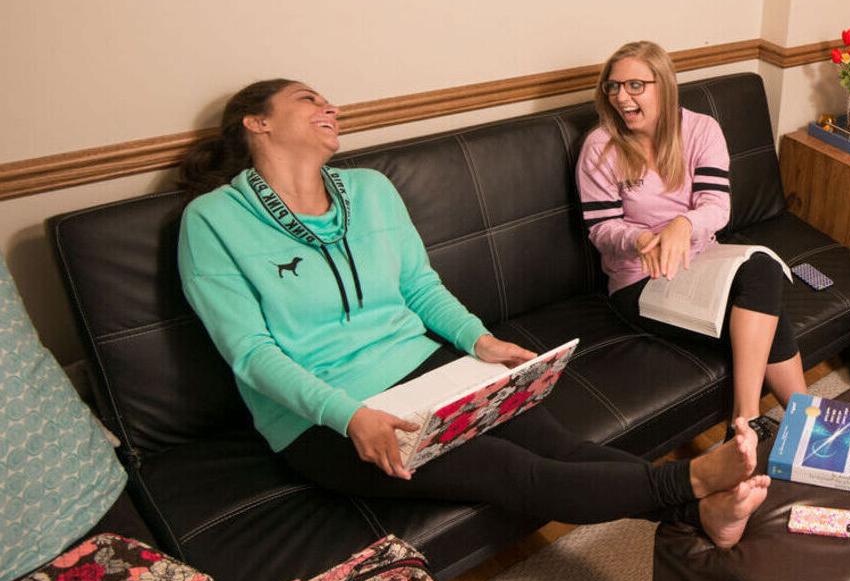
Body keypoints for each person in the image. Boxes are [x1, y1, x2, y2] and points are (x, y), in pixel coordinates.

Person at [176, 78, 770, 549]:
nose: (330, 105)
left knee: (558, 444)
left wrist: (481, 344)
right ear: (258, 123)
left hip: (425, 365)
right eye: (308, 99)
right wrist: (352, 417)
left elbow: (420, 288)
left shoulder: (370, 189)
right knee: (511, 471)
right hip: (322, 416)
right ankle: (691, 485)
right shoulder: (212, 221)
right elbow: (250, 354)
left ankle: (706, 514)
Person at [577, 41, 809, 439]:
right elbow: (601, 229)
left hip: (704, 262)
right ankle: (792, 423)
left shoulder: (702, 130)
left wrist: (683, 225)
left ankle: (746, 424)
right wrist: (640, 240)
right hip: (640, 281)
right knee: (764, 312)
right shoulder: (600, 147)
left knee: (764, 271)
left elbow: (717, 207)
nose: (621, 97)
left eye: (635, 85)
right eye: (613, 87)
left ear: (664, 86)